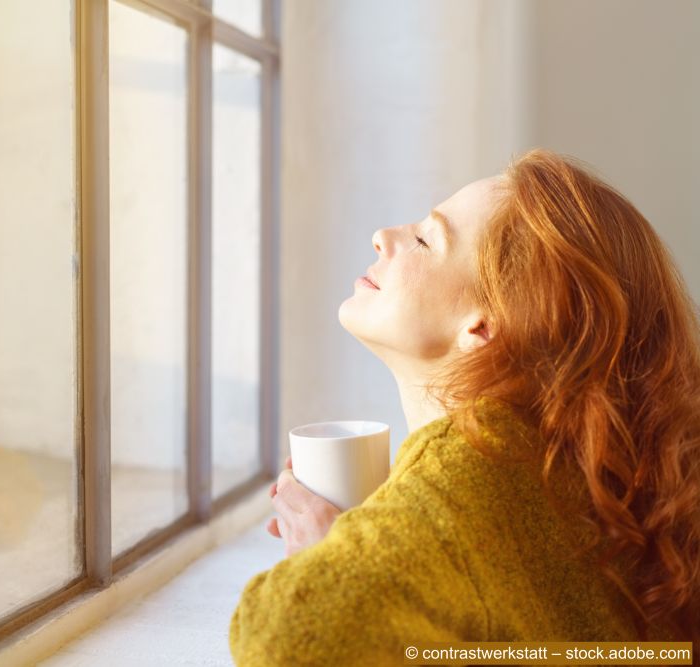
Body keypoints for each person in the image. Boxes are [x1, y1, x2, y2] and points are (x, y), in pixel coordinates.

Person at [229, 148, 700, 665]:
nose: (384, 236)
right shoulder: (569, 463)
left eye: (426, 239)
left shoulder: (473, 469)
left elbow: (291, 638)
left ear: (484, 325)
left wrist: (321, 564)